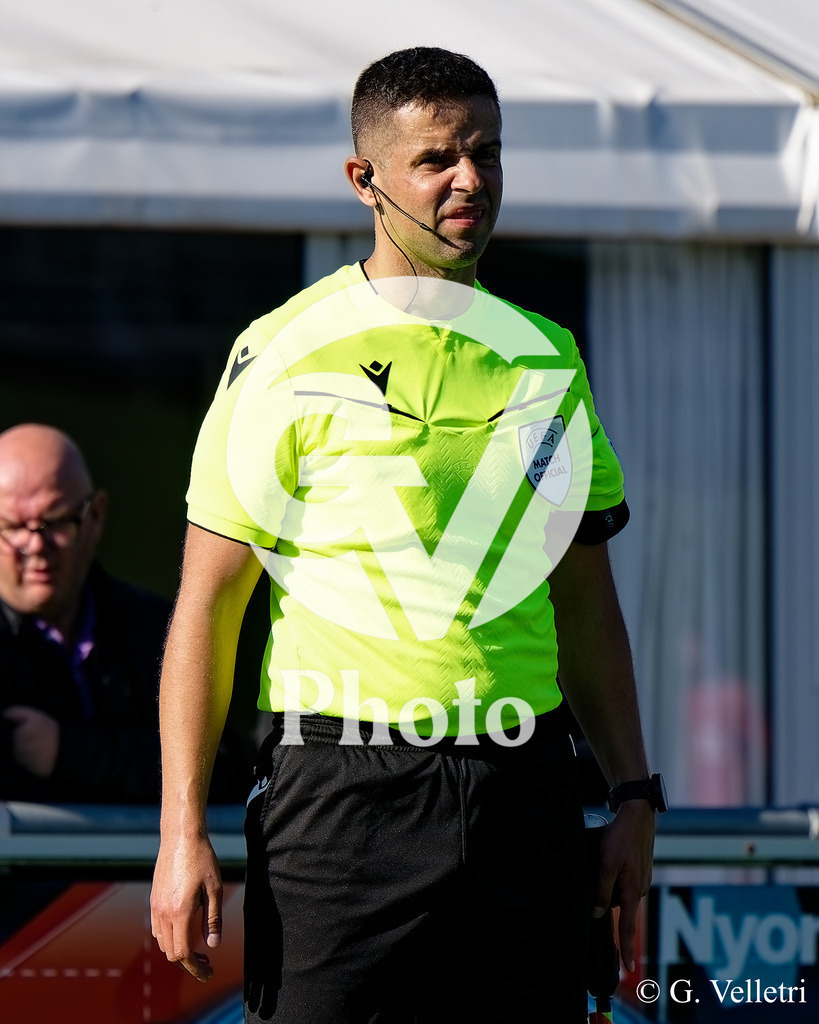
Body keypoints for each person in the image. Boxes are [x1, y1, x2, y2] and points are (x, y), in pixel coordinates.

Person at [151, 47, 659, 1023]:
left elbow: (584, 600)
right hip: (341, 801)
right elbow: (209, 606)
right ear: (365, 179)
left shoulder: (547, 356)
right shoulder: (281, 351)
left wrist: (633, 795)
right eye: (435, 159)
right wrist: (181, 833)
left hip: (524, 794)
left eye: (487, 152)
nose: (470, 178)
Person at [0, 423, 247, 803]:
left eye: (56, 522)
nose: (35, 545)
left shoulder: (159, 631)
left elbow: (223, 766)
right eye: (12, 527)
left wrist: (67, 751)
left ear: (96, 515)